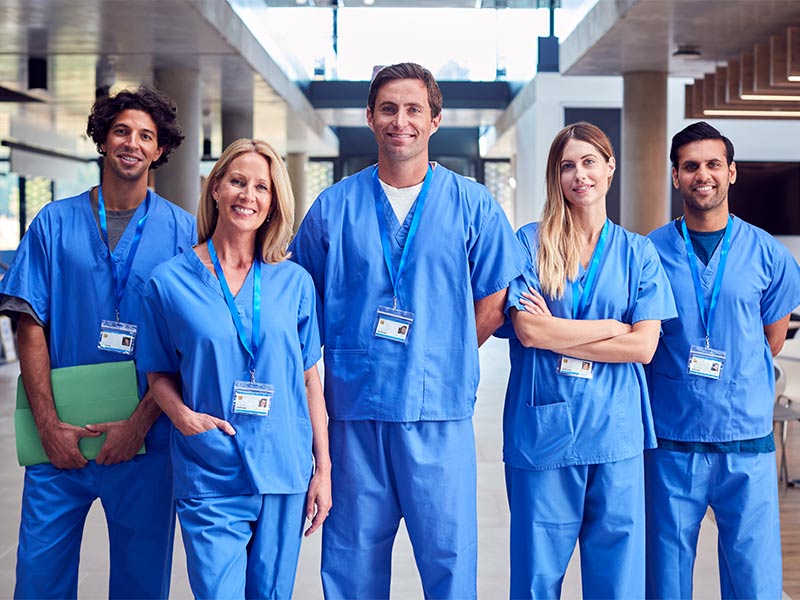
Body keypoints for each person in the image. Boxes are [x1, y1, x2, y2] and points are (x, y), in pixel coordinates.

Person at [290, 62, 526, 599]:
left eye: (414, 109)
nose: (401, 121)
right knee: (351, 566)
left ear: (435, 119)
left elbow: (495, 296)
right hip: (355, 416)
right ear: (369, 117)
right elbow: (302, 298)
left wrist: (444, 350)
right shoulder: (334, 207)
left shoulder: (472, 205)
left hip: (438, 415)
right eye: (389, 109)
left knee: (449, 562)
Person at [0, 86, 195, 599]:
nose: (133, 143)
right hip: (58, 437)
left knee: (140, 582)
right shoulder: (51, 224)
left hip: (144, 442)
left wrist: (137, 427)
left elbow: (186, 343)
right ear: (103, 140)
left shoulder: (182, 233)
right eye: (122, 131)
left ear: (159, 150)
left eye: (146, 136)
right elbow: (29, 324)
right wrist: (47, 425)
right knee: (38, 578)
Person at [138, 138, 331, 599]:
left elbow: (309, 379)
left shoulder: (294, 281)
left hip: (284, 466)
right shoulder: (169, 281)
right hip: (210, 464)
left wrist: (322, 468)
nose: (249, 196)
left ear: (273, 201)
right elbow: (157, 372)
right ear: (216, 189)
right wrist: (183, 419)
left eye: (261, 187)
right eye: (238, 182)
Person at [501, 122, 677, 599]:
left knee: (617, 582)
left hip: (615, 435)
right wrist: (613, 327)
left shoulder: (637, 252)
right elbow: (527, 328)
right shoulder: (530, 243)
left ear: (610, 166)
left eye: (589, 162)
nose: (580, 175)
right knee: (536, 579)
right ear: (555, 177)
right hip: (543, 437)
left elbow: (643, 347)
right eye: (567, 166)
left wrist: (556, 335)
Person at [645, 121, 800, 599]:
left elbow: (772, 337)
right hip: (674, 439)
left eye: (713, 164)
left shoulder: (767, 253)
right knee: (667, 577)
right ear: (676, 177)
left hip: (746, 439)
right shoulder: (649, 252)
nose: (702, 175)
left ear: (731, 173)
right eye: (690, 166)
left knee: (753, 577)